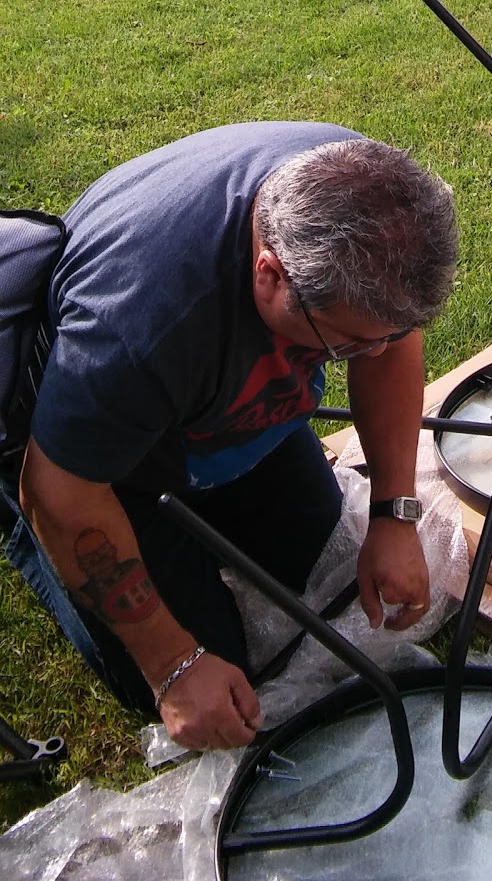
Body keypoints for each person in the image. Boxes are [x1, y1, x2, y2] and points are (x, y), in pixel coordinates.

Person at [2, 122, 457, 752]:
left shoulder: (366, 198)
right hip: (117, 469)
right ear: (270, 273)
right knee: (213, 681)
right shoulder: (142, 323)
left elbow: (389, 343)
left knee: (316, 563)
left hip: (225, 413)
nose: (371, 354)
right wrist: (173, 667)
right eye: (345, 346)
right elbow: (61, 489)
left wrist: (393, 515)